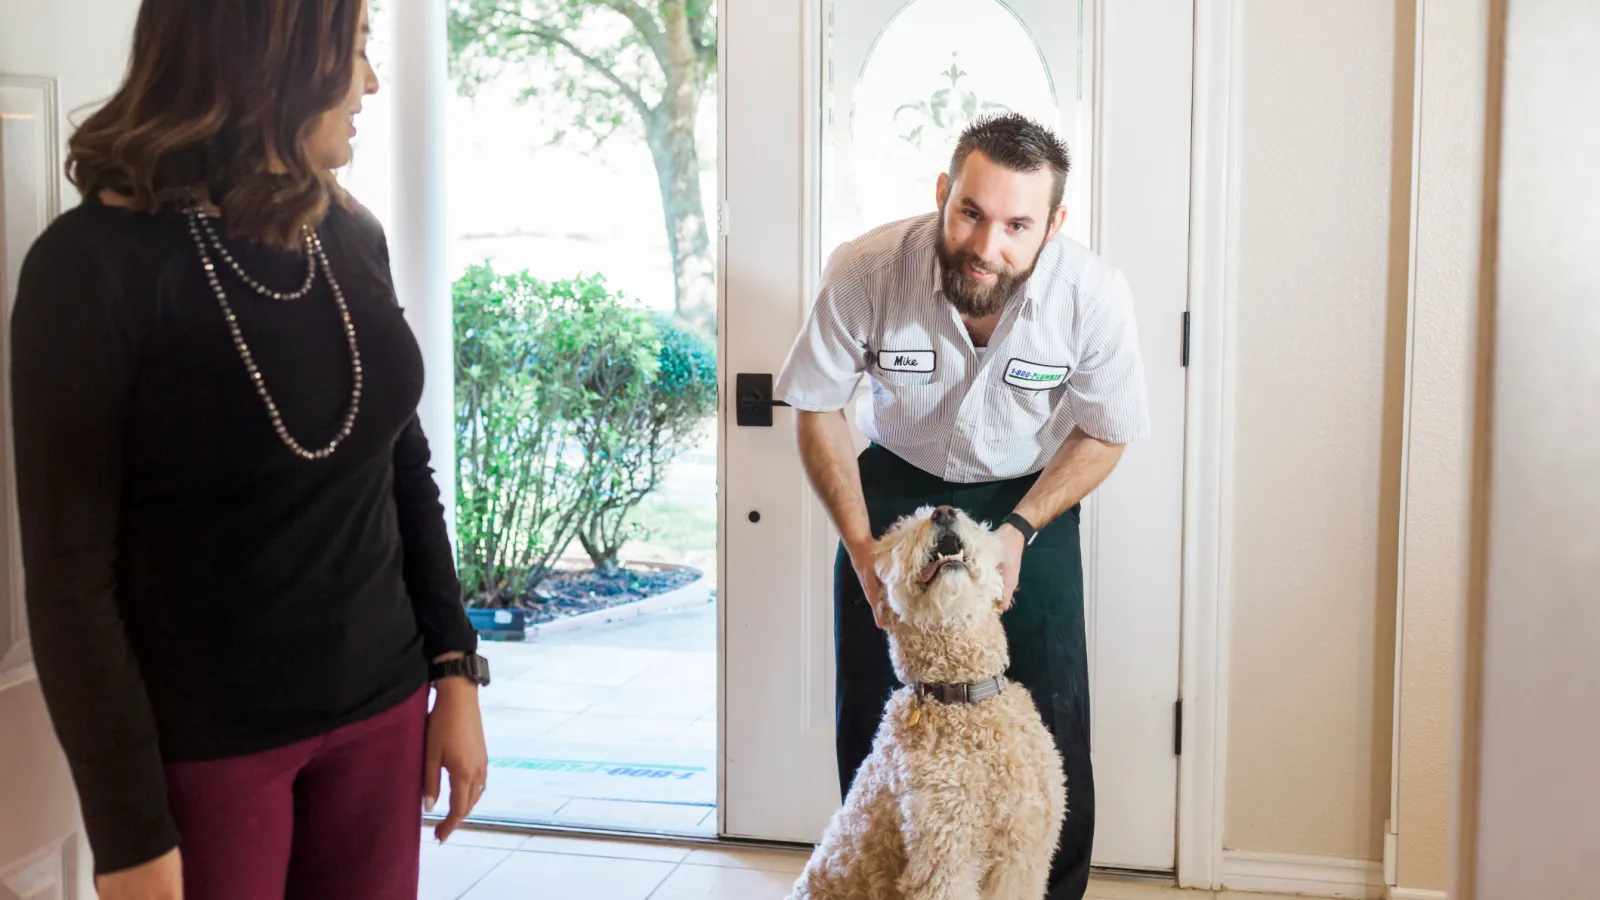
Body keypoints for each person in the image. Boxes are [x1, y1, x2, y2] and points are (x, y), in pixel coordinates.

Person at [9, 2, 492, 898]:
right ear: (275, 55)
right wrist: (128, 841)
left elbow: (402, 465)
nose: (371, 84)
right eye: (354, 52)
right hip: (210, 751)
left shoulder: (349, 235)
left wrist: (453, 669)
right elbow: (70, 582)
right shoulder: (90, 268)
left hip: (382, 714)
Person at [775, 112, 1151, 900]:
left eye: (1018, 224)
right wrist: (858, 544)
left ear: (1053, 225)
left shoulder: (1092, 295)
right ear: (944, 194)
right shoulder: (866, 270)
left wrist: (1020, 528)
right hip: (894, 486)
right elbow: (816, 405)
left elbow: (1107, 433)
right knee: (877, 717)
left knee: (1054, 714)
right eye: (971, 213)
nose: (988, 245)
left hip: (1027, 496)